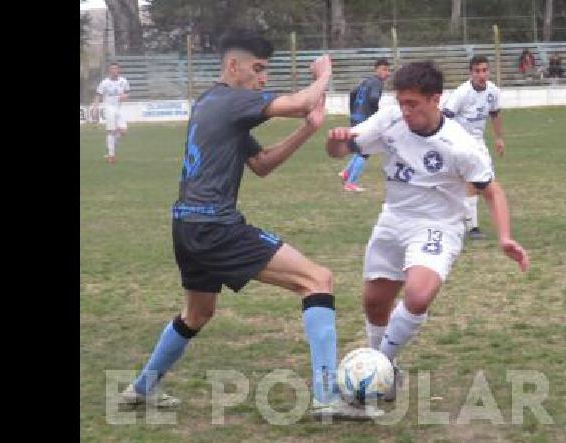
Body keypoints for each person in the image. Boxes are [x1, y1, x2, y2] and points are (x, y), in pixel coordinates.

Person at [119, 29, 375, 420]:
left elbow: (262, 165)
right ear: (232, 66)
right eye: (258, 69)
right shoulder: (232, 102)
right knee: (317, 280)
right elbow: (302, 100)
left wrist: (308, 129)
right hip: (215, 226)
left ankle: (141, 389)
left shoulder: (211, 103)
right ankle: (327, 397)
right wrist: (323, 74)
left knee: (197, 313)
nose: (263, 79)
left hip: (186, 225)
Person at [325, 61, 531, 402]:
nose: (405, 111)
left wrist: (505, 236)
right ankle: (383, 374)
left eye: (413, 104)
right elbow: (340, 153)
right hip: (393, 219)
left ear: (435, 99)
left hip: (439, 224)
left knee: (418, 295)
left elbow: (492, 190)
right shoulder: (390, 119)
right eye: (401, 102)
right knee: (375, 303)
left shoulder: (460, 145)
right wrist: (337, 141)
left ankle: (381, 365)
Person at [441, 55, 505, 240]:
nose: (481, 74)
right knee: (473, 180)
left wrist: (499, 138)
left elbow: (495, 114)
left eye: (484, 70)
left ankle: (462, 222)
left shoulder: (493, 91)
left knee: (481, 181)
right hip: (460, 142)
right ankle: (472, 227)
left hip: (478, 142)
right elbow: (445, 117)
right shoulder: (462, 93)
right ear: (471, 73)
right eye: (477, 71)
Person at [337, 58, 391, 192]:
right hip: (365, 120)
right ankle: (350, 183)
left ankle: (346, 173)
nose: (387, 73)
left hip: (356, 118)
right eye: (384, 69)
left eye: (388, 70)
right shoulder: (377, 83)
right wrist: (376, 115)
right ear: (377, 69)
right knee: (364, 151)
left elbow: (352, 93)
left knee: (361, 148)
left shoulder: (366, 81)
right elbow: (373, 99)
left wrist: (353, 111)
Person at [90, 62, 130, 164]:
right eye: (112, 69)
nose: (114, 70)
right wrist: (95, 108)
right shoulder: (104, 83)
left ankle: (110, 149)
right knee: (111, 131)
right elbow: (98, 95)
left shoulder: (123, 81)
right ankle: (111, 156)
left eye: (116, 68)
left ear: (118, 70)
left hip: (120, 108)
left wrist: (125, 97)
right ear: (109, 71)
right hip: (109, 108)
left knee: (123, 131)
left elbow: (127, 93)